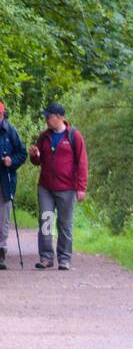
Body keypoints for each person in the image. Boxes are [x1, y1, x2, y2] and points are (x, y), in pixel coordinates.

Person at [27, 102, 88, 271]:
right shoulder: (43, 136)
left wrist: (81, 187)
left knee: (64, 224)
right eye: (46, 116)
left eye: (49, 116)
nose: (46, 119)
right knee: (46, 220)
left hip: (67, 188)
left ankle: (64, 259)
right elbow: (37, 161)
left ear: (60, 117)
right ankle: (46, 258)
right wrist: (34, 155)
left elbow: (82, 163)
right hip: (45, 187)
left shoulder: (74, 136)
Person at [0, 101, 28, 270]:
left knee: (3, 219)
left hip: (5, 181)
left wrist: (12, 161)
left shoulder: (10, 132)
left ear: (1, 115)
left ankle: (1, 254)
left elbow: (22, 153)